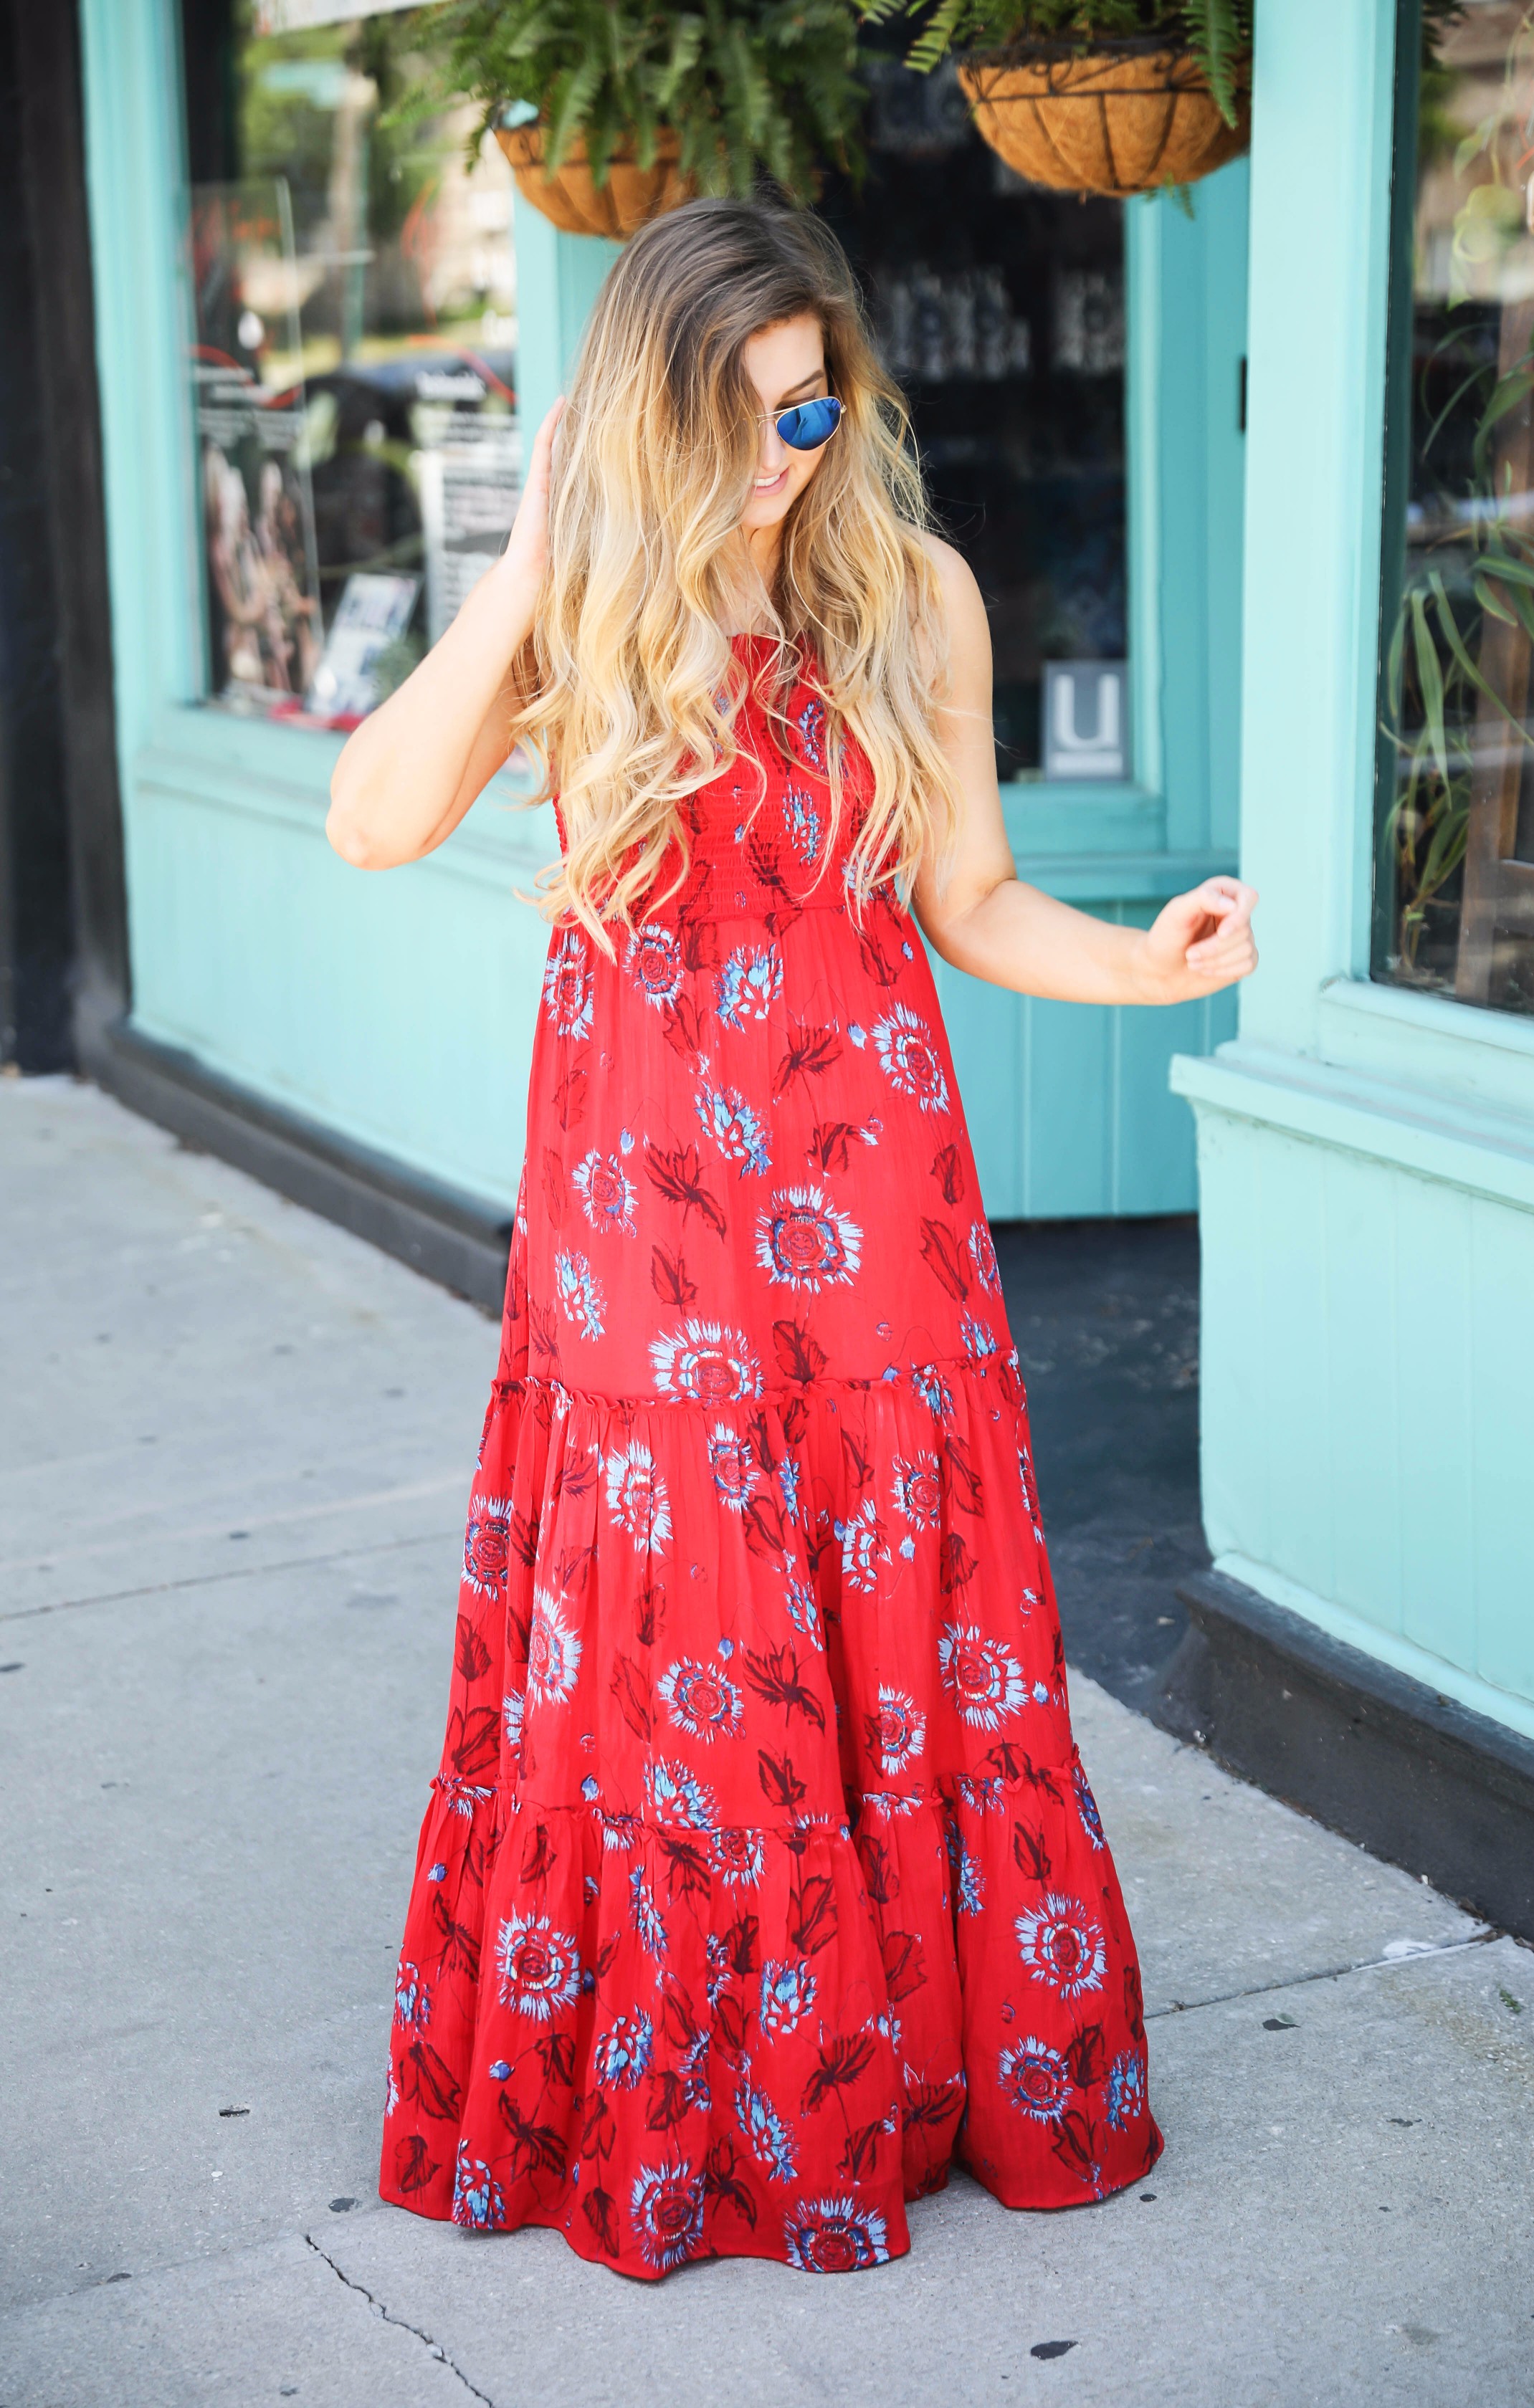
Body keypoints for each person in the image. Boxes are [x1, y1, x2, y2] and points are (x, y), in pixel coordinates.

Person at [327, 198, 1257, 2280]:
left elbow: (974, 898)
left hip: (877, 1220)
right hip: (644, 1258)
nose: (782, 462)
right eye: (737, 421)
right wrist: (531, 555)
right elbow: (374, 817)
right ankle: (710, 2109)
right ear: (643, 419)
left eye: (814, 408)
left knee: (906, 1653)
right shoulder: (583, 611)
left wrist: (1148, 958)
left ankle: (907, 2077)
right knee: (684, 1678)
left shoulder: (907, 597)